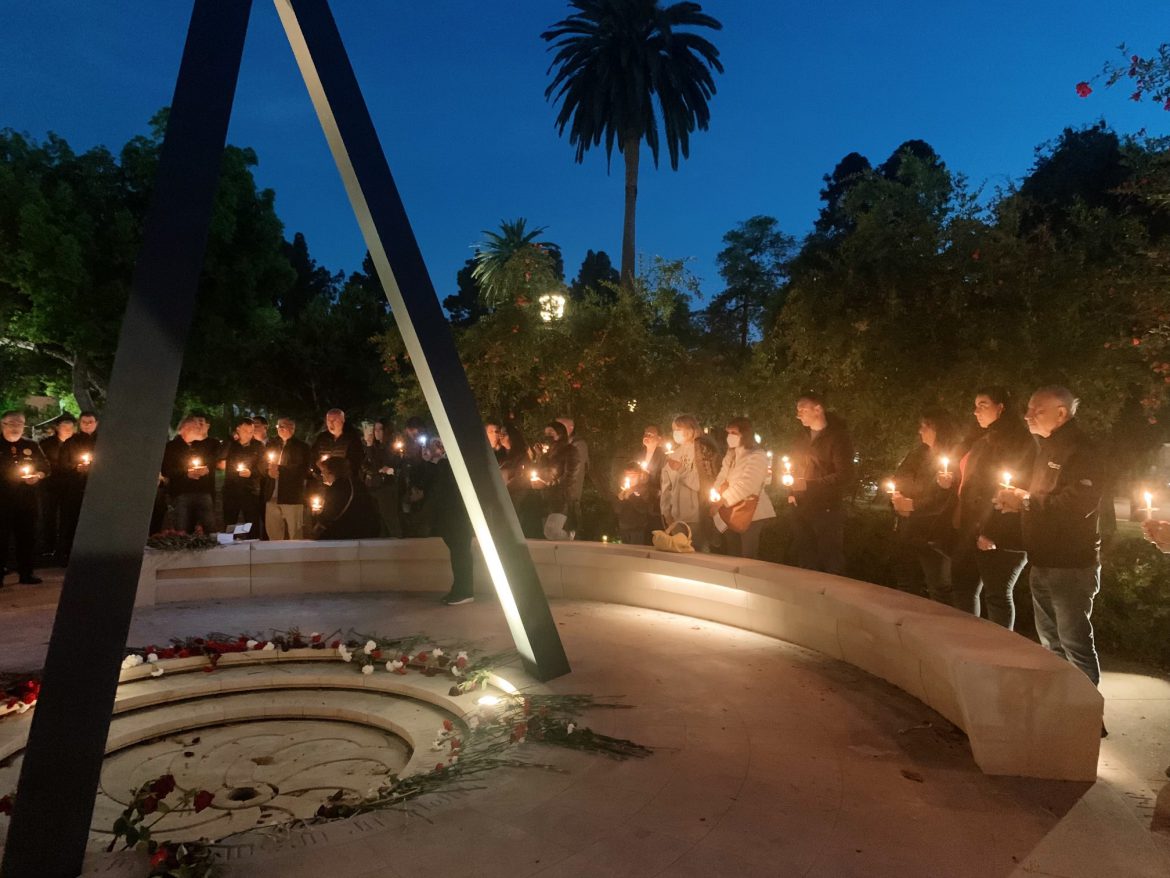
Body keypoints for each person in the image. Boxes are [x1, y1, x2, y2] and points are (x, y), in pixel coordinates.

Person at [996, 386, 1104, 686]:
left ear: (1061, 413)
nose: (1028, 415)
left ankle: (1088, 718)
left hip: (1070, 565)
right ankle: (1063, 710)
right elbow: (1044, 500)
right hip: (1043, 560)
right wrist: (1016, 502)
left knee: (1074, 644)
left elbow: (1077, 504)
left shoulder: (1082, 451)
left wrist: (1027, 501)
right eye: (1029, 408)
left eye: (1037, 409)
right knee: (1051, 646)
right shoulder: (1047, 448)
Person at [948, 387, 1033, 629]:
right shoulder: (983, 439)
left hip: (1000, 536)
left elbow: (1013, 491)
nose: (976, 411)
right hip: (972, 529)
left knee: (997, 595)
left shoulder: (1019, 442)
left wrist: (992, 531)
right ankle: (968, 643)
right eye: (975, 405)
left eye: (983, 405)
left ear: (1001, 408)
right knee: (964, 588)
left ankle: (1000, 654)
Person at [890, 407, 960, 605]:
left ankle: (941, 631)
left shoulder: (952, 459)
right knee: (906, 583)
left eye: (925, 427)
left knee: (939, 587)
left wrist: (914, 505)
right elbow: (899, 479)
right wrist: (897, 501)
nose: (920, 431)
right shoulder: (916, 454)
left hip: (934, 535)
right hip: (908, 529)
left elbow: (946, 498)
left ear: (940, 429)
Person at [789, 392, 855, 574]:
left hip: (827, 509)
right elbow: (794, 468)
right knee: (805, 556)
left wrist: (809, 485)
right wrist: (792, 493)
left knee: (830, 558)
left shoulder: (838, 437)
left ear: (818, 409)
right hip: (801, 506)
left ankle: (834, 597)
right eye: (797, 410)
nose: (798, 415)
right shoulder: (801, 438)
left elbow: (845, 475)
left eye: (802, 409)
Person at [710, 417, 777, 559]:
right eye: (728, 432)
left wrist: (722, 500)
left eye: (734, 432)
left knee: (747, 555)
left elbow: (748, 485)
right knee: (733, 553)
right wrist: (714, 495)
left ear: (745, 434)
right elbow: (722, 476)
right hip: (729, 510)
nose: (730, 436)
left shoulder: (757, 455)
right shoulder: (731, 454)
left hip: (751, 512)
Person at [424, 438, 475, 605]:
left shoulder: (450, 464)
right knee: (458, 551)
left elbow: (443, 487)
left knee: (460, 551)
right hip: (452, 513)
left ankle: (464, 590)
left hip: (456, 513)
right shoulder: (445, 463)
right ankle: (459, 588)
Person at [1, 411, 48, 585]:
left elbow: (45, 466)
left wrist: (39, 475)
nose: (16, 427)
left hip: (26, 501)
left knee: (27, 538)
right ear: (3, 424)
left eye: (20, 423)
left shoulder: (31, 445)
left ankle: (26, 574)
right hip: (3, 500)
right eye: (12, 423)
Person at [659, 414, 708, 551]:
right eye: (674, 429)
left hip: (695, 516)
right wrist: (666, 511)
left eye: (679, 428)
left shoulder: (701, 452)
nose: (676, 432)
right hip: (675, 517)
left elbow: (701, 484)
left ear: (691, 429)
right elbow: (666, 487)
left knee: (696, 551)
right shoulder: (674, 455)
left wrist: (681, 469)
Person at [56, 410, 99, 560]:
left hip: (96, 490)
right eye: (84, 422)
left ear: (96, 423)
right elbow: (62, 465)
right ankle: (67, 554)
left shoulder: (103, 442)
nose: (87, 425)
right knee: (71, 521)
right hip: (73, 489)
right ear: (79, 424)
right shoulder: (70, 442)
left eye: (90, 422)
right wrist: (76, 467)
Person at [162, 416, 216, 534]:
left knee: (209, 527)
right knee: (182, 529)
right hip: (182, 494)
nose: (200, 428)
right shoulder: (171, 447)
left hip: (203, 492)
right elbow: (166, 470)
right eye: (197, 426)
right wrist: (186, 473)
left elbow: (211, 461)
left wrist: (206, 470)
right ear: (187, 428)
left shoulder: (200, 445)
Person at [309, 457, 379, 540]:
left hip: (350, 531)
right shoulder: (354, 482)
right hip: (367, 528)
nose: (321, 474)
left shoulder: (338, 488)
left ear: (331, 472)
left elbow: (329, 515)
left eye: (323, 470)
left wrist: (317, 514)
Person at [264, 417, 311, 540]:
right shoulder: (271, 444)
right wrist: (268, 471)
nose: (280, 429)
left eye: (283, 426)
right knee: (273, 533)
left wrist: (279, 470)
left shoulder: (301, 447)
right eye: (278, 426)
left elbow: (302, 469)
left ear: (292, 428)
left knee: (295, 533)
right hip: (271, 495)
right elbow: (262, 463)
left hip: (291, 496)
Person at [531, 420, 578, 540]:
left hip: (561, 500)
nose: (547, 436)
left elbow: (569, 477)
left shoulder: (570, 450)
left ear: (560, 433)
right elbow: (541, 472)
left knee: (552, 532)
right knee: (548, 538)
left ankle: (569, 540)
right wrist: (540, 456)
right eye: (546, 433)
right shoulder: (548, 454)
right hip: (546, 499)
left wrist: (547, 485)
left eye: (551, 432)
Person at [37, 414, 76, 560]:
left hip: (70, 486)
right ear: (57, 428)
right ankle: (48, 546)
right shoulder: (46, 444)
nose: (68, 430)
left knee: (68, 517)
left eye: (71, 427)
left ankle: (65, 547)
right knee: (49, 516)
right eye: (64, 427)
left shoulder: (76, 443)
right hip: (49, 485)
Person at [220, 416, 264, 533]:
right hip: (231, 490)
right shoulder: (231, 444)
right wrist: (230, 440)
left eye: (251, 431)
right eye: (245, 431)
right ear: (238, 429)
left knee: (252, 523)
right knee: (230, 523)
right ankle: (229, 546)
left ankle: (252, 545)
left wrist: (251, 473)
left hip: (250, 491)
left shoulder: (258, 446)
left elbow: (263, 467)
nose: (249, 434)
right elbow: (220, 456)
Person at [309, 408, 365, 483]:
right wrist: (319, 470)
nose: (331, 423)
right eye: (328, 421)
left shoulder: (352, 438)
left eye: (334, 420)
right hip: (323, 482)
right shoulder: (322, 438)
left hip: (344, 482)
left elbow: (355, 462)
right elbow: (312, 457)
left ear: (342, 420)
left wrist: (336, 471)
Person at [557, 416, 589, 538]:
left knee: (568, 531)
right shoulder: (559, 445)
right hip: (556, 498)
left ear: (571, 428)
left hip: (569, 498)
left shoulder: (578, 446)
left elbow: (574, 472)